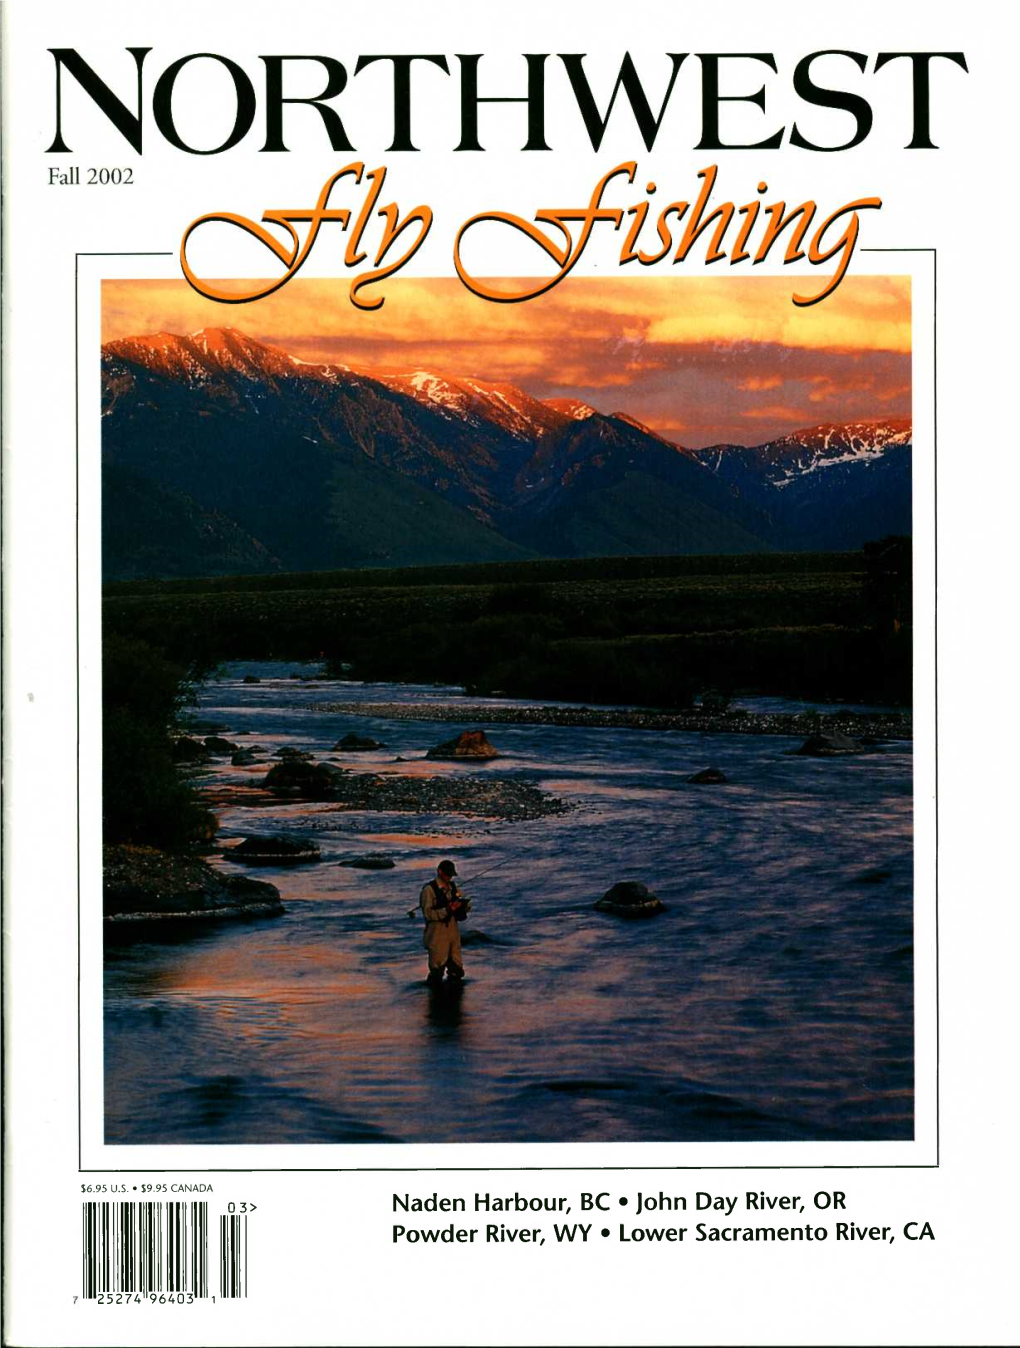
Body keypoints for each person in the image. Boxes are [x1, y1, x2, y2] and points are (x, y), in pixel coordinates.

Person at [420, 860, 466, 986]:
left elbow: (464, 905)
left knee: (457, 971)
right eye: (447, 874)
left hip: (453, 934)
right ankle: (435, 1002)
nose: (449, 877)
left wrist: (463, 906)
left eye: (451, 875)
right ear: (439, 871)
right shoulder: (428, 890)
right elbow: (428, 914)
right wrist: (447, 909)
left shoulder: (454, 887)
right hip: (437, 935)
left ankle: (454, 1002)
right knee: (436, 973)